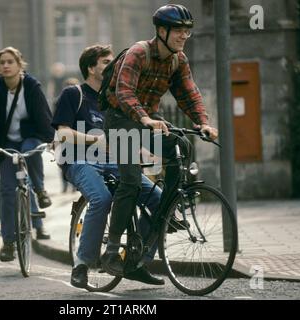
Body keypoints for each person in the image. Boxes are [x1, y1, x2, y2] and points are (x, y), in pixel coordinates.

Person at [100, 4, 219, 276]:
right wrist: (144, 118)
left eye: (187, 32)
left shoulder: (178, 60)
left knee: (182, 146)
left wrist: (203, 123)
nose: (183, 36)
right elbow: (124, 91)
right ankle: (111, 251)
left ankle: (163, 215)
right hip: (119, 118)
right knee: (130, 181)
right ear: (162, 31)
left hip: (147, 119)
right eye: (178, 31)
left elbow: (189, 93)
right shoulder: (138, 53)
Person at [52, 44, 165, 289]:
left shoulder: (116, 99)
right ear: (91, 68)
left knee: (158, 199)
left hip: (115, 161)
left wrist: (141, 150)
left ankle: (136, 262)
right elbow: (61, 133)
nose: (113, 66)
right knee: (101, 198)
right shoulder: (74, 94)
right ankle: (81, 265)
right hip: (79, 160)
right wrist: (96, 140)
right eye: (106, 62)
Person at [0, 47, 55, 262]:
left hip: (29, 136)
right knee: (6, 191)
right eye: (2, 62)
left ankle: (40, 189)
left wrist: (52, 139)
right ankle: (9, 242)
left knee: (29, 152)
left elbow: (43, 113)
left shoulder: (31, 85)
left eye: (10, 61)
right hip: (5, 142)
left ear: (19, 64)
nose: (5, 65)